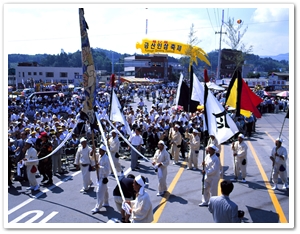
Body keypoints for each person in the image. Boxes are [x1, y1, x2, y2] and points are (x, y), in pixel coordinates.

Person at [91, 144, 110, 213]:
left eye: (101, 150)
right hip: (99, 176)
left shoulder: (106, 158)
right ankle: (106, 202)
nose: (99, 151)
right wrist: (93, 149)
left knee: (99, 192)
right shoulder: (99, 156)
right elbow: (92, 157)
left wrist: (99, 167)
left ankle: (98, 207)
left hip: (103, 177)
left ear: (104, 151)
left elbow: (107, 169)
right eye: (99, 149)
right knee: (105, 191)